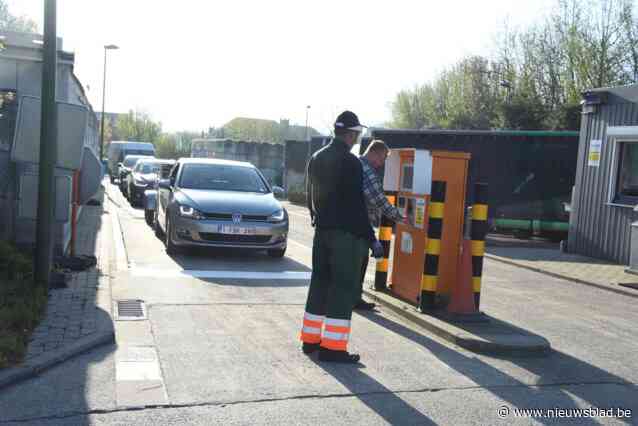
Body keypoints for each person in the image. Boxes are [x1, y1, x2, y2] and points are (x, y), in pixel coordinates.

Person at [299, 111, 383, 364]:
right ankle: (333, 349)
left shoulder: (316, 157)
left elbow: (310, 195)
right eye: (356, 134)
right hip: (346, 237)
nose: (357, 138)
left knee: (320, 284)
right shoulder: (351, 162)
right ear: (350, 134)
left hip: (322, 232)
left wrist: (318, 219)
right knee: (342, 289)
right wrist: (371, 238)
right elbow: (357, 206)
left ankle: (310, 340)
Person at [354, 140, 407, 311]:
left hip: (351, 223)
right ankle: (354, 298)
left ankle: (352, 296)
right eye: (383, 158)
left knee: (354, 263)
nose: (382, 163)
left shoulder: (355, 163)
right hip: (360, 225)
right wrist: (401, 217)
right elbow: (379, 200)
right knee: (359, 262)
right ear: (375, 153)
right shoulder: (367, 170)